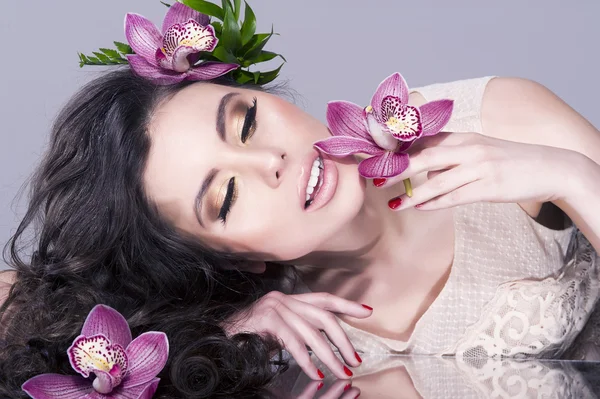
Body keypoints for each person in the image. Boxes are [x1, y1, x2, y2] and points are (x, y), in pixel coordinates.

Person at [2, 3, 600, 398]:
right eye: (227, 196)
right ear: (230, 257)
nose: (271, 161)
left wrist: (570, 178)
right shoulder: (274, 323)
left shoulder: (491, 117)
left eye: (245, 122)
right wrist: (208, 331)